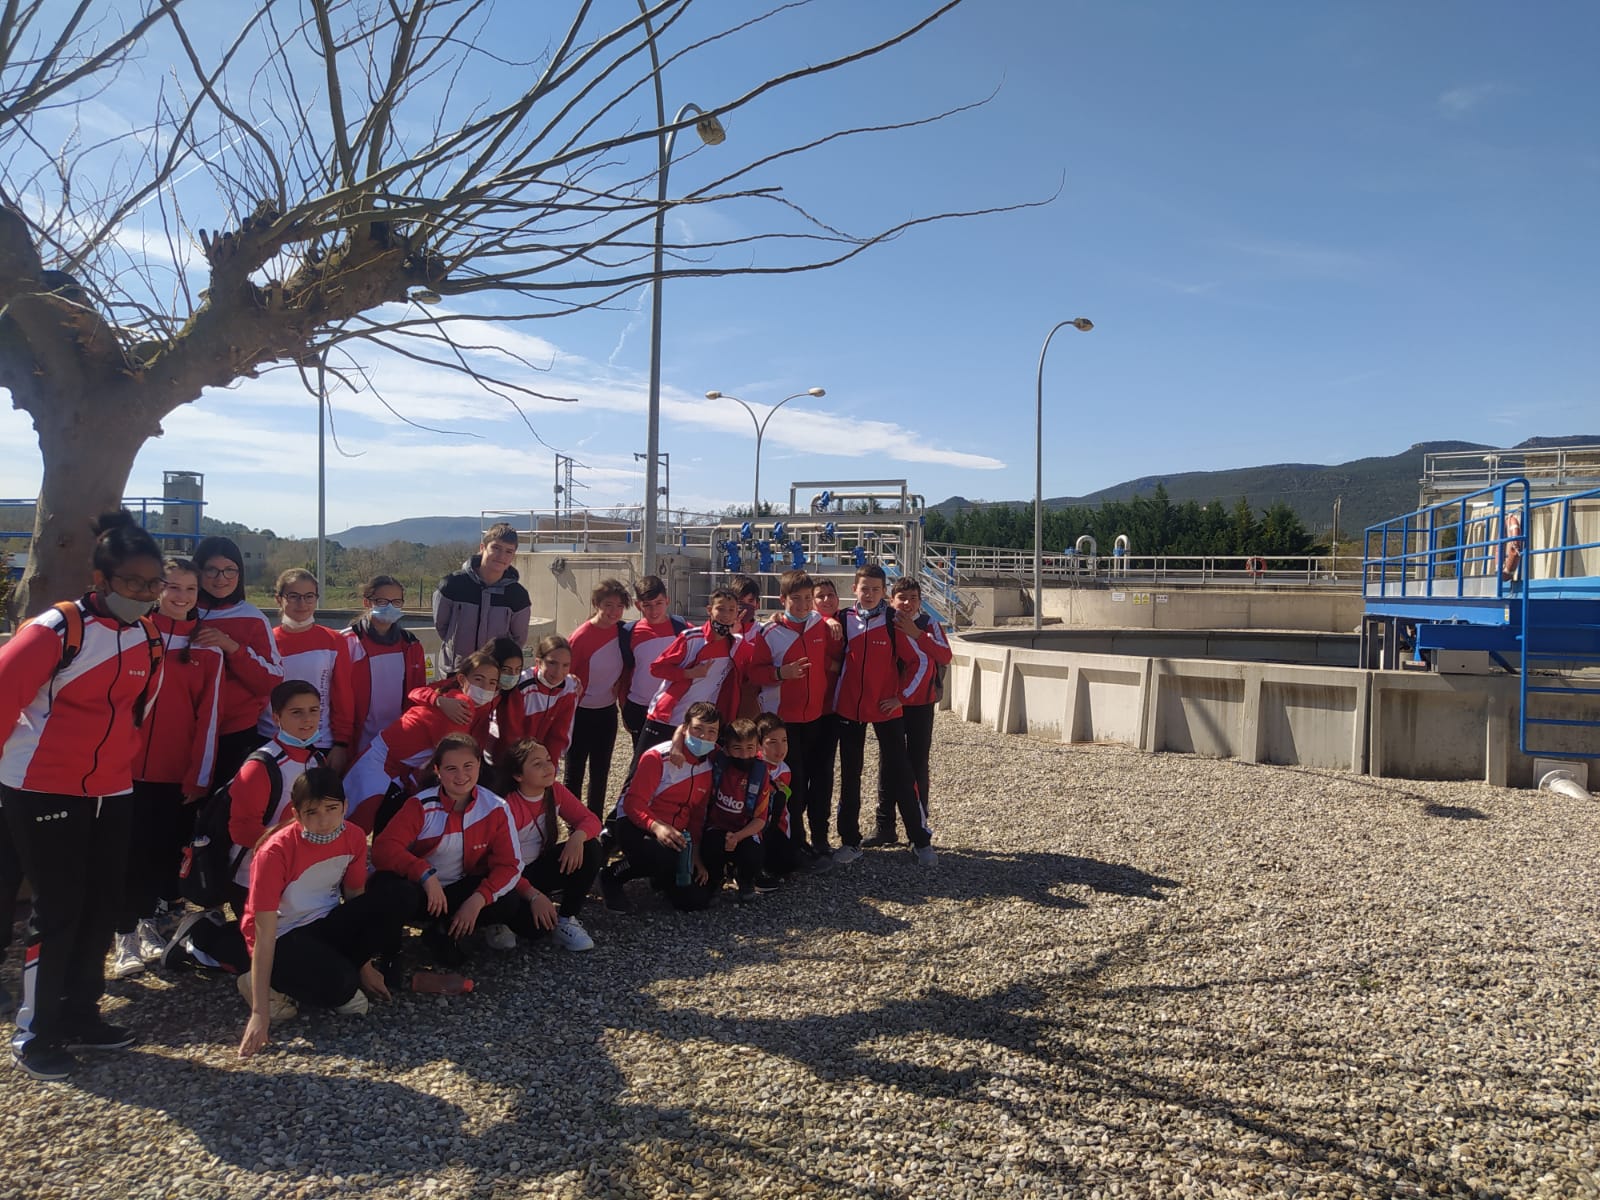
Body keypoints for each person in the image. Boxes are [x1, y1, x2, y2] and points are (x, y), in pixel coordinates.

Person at [0, 510, 166, 1080]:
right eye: (133, 583)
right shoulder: (54, 630)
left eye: (154, 584)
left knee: (101, 904)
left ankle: (81, 1014)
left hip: (111, 789)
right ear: (100, 580)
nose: (145, 594)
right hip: (42, 785)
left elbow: (137, 715)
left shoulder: (148, 636)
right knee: (58, 908)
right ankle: (35, 1031)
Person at [113, 556, 224, 979]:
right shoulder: (133, 634)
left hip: (174, 773)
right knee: (127, 852)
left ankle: (146, 924)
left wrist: (199, 775)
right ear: (157, 588)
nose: (182, 596)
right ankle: (122, 934)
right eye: (173, 587)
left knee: (162, 854)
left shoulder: (207, 646)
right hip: (121, 768)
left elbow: (209, 715)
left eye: (190, 589)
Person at [237, 768, 397, 1058]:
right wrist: (259, 1013)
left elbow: (356, 899)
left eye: (331, 809)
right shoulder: (275, 851)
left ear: (345, 807)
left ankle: (339, 974)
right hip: (284, 933)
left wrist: (365, 966)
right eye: (312, 812)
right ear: (296, 814)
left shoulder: (354, 836)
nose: (323, 820)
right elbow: (264, 931)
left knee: (392, 900)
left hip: (322, 921)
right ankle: (264, 983)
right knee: (343, 987)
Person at [367, 734, 522, 967]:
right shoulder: (420, 805)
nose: (461, 775)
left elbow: (510, 865)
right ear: (437, 771)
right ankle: (391, 954)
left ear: (479, 764)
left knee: (508, 900)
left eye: (468, 766)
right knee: (393, 891)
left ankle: (443, 931)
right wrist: (425, 874)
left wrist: (478, 900)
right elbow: (383, 849)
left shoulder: (496, 807)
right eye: (451, 769)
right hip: (421, 891)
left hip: (456, 892)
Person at [831, 565, 935, 868]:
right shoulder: (843, 619)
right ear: (854, 589)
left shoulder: (893, 621)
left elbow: (921, 661)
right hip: (850, 709)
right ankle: (850, 841)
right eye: (864, 588)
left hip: (886, 709)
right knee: (850, 776)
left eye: (876, 589)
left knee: (903, 773)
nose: (869, 594)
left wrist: (901, 697)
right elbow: (815, 624)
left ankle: (920, 840)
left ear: (884, 592)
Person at [734, 569, 838, 865]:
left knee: (821, 782)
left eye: (807, 598)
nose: (803, 605)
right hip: (784, 722)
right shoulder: (770, 632)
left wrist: (831, 619)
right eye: (796, 599)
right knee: (793, 785)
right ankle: (794, 842)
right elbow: (755, 673)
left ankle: (820, 838)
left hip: (816, 717)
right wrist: (781, 673)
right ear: (782, 600)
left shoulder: (819, 624)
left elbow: (836, 650)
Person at [342, 649, 502, 832]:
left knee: (378, 823)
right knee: (353, 822)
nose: (485, 687)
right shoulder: (461, 707)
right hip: (381, 761)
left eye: (492, 682)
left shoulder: (467, 698)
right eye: (479, 679)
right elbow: (448, 760)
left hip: (403, 768)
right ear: (462, 679)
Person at [598, 702, 719, 913]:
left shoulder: (709, 765)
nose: (704, 737)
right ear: (684, 728)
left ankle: (661, 877)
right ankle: (612, 876)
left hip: (675, 834)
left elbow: (697, 815)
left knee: (696, 901)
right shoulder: (658, 757)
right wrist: (657, 827)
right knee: (661, 853)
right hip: (638, 824)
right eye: (697, 729)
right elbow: (633, 803)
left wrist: (695, 856)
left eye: (712, 732)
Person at [483, 739, 602, 952]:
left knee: (591, 848)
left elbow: (591, 820)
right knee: (535, 929)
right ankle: (497, 920)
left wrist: (577, 837)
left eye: (548, 760)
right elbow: (498, 864)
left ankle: (566, 919)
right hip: (508, 877)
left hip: (536, 867)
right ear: (518, 775)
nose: (548, 767)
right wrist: (533, 895)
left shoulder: (554, 790)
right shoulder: (507, 806)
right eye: (537, 764)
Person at [191, 535, 284, 791]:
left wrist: (231, 647)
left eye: (229, 570)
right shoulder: (180, 611)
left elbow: (271, 681)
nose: (221, 578)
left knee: (226, 807)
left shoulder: (252, 617)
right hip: (183, 731)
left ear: (239, 573)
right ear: (198, 571)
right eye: (212, 569)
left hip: (235, 733)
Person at [224, 681, 329, 906]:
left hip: (297, 878)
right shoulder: (260, 765)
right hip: (253, 881)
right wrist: (294, 850)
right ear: (276, 718)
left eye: (314, 710)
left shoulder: (318, 760)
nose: (308, 719)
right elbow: (242, 831)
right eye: (296, 712)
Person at [260, 569, 355, 773]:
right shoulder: (265, 642)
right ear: (279, 599)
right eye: (294, 596)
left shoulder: (333, 640)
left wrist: (341, 743)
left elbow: (343, 696)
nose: (302, 603)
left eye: (309, 596)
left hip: (320, 742)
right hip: (272, 739)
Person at [633, 588, 742, 756]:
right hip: (667, 717)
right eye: (720, 608)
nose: (726, 614)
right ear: (709, 610)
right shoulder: (691, 638)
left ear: (737, 613)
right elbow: (656, 668)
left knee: (687, 770)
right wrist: (689, 673)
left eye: (731, 610)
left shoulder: (735, 645)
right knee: (645, 767)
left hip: (700, 724)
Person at [887, 577, 952, 836]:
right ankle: (885, 824)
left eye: (913, 598)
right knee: (888, 762)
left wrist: (917, 634)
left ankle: (919, 821)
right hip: (891, 702)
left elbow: (945, 655)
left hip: (921, 702)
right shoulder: (885, 623)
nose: (907, 603)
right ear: (892, 600)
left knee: (918, 762)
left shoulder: (928, 624)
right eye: (902, 598)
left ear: (920, 601)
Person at [343, 574, 428, 762]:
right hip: (355, 742)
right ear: (367, 602)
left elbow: (418, 693)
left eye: (396, 602)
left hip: (396, 739)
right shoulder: (347, 642)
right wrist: (340, 743)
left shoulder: (411, 645)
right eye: (382, 601)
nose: (390, 607)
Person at [564, 579, 629, 818]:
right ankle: (572, 821)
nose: (614, 611)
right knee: (574, 770)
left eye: (619, 606)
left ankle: (594, 821)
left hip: (607, 711)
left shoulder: (623, 632)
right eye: (608, 605)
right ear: (596, 604)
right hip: (580, 712)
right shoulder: (581, 636)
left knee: (601, 771)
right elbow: (564, 674)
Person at [431, 522, 531, 677]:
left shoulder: (518, 595)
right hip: (456, 672)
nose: (501, 556)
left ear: (513, 555)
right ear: (482, 547)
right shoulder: (451, 585)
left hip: (494, 676)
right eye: (496, 548)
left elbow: (518, 639)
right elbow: (442, 627)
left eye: (509, 551)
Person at [698, 718, 770, 904]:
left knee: (754, 853)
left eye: (750, 748)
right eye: (737, 748)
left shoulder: (761, 773)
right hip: (717, 826)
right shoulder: (719, 761)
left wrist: (737, 836)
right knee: (710, 846)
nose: (744, 754)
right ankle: (716, 879)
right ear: (727, 749)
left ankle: (745, 879)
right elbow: (692, 738)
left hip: (745, 829)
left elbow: (760, 820)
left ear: (758, 747)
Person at [617, 575, 688, 761]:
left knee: (669, 761)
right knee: (641, 761)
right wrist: (624, 706)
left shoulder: (682, 629)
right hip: (638, 707)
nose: (654, 610)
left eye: (659, 603)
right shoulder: (629, 632)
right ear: (637, 605)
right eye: (647, 605)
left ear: (667, 601)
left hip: (672, 707)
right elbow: (625, 672)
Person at [494, 635, 580, 769]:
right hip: (510, 760)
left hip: (538, 762)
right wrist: (525, 770)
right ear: (538, 662)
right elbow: (511, 735)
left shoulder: (569, 688)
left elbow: (559, 735)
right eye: (552, 663)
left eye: (565, 665)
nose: (559, 671)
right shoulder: (521, 686)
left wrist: (550, 766)